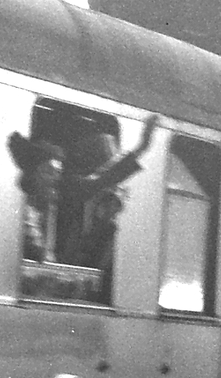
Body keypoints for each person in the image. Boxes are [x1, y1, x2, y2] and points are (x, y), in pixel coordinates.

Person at [57, 114, 161, 271]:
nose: (114, 186)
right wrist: (141, 148)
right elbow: (102, 180)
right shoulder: (74, 188)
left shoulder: (109, 212)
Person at [6, 132, 65, 263]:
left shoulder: (47, 205)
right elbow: (39, 251)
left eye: (58, 174)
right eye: (49, 172)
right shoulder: (24, 205)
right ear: (34, 173)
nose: (55, 179)